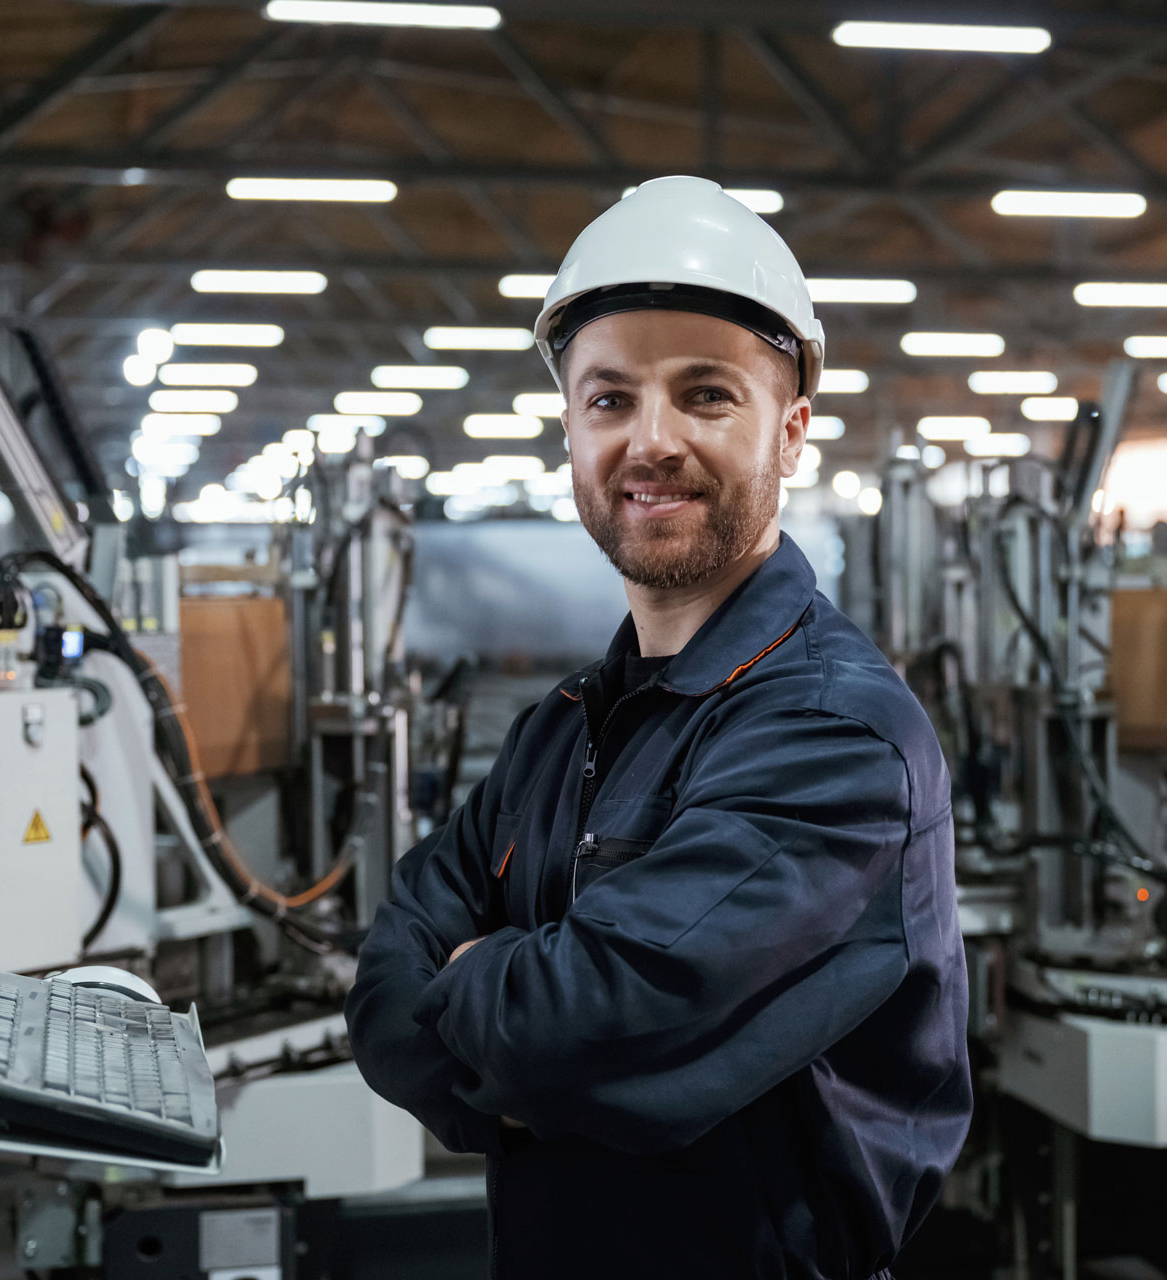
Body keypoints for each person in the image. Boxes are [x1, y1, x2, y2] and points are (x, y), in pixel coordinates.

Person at [346, 176, 972, 1280]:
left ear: (791, 433)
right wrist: (509, 1010)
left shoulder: (835, 732)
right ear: (571, 431)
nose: (652, 440)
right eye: (610, 398)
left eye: (707, 395)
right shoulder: (570, 724)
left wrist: (499, 1002)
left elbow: (580, 1027)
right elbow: (388, 983)